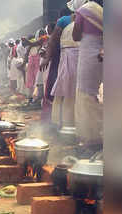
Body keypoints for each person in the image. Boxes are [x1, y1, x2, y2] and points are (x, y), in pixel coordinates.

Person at [49, 1, 85, 132]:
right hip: (69, 57)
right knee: (67, 89)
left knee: (75, 90)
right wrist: (48, 56)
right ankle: (64, 122)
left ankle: (74, 123)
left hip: (79, 56)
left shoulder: (85, 20)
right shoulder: (64, 20)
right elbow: (53, 38)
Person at [72, 0, 103, 153]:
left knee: (85, 95)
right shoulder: (101, 11)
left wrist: (75, 19)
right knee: (97, 94)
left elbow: (76, 35)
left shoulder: (83, 11)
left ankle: (91, 139)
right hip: (101, 54)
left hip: (88, 54)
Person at [39, 6, 74, 127]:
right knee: (71, 90)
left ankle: (55, 120)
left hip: (61, 57)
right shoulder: (84, 17)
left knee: (56, 87)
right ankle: (67, 121)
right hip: (73, 57)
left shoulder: (63, 20)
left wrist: (47, 58)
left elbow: (52, 41)